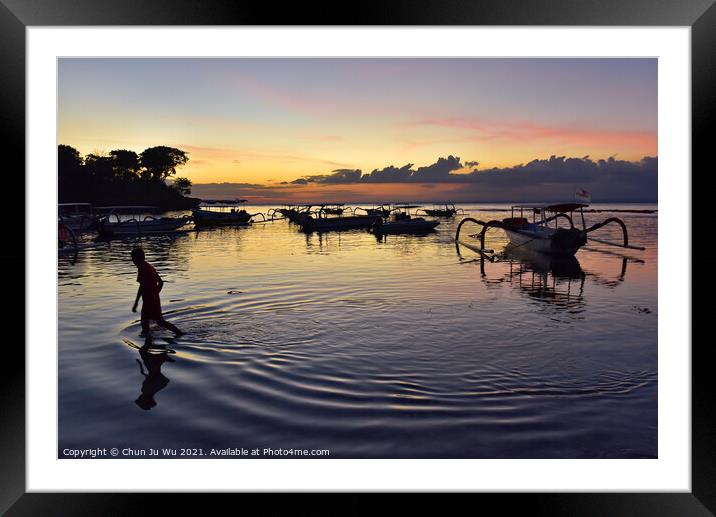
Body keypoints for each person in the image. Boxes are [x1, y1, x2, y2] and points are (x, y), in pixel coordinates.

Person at [131, 247, 183, 336]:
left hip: (149, 301)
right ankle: (147, 343)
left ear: (137, 259)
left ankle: (180, 334)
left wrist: (136, 302)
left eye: (133, 259)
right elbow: (161, 283)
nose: (133, 262)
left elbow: (142, 286)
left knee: (159, 322)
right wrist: (155, 294)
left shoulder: (143, 269)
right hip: (151, 299)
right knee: (147, 323)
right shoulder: (149, 266)